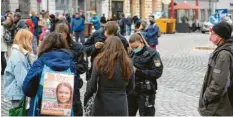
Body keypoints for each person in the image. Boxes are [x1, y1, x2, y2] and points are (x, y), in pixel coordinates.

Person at [22, 32, 81, 116]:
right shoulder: (71, 64)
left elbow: (27, 89)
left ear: (45, 44)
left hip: (41, 110)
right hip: (63, 111)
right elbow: (74, 90)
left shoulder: (40, 62)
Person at [84, 36, 135, 116]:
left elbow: (92, 85)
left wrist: (87, 98)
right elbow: (131, 86)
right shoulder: (128, 63)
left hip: (102, 101)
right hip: (121, 102)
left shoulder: (99, 61)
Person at [198, 22, 233, 116]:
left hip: (218, 106)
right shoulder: (225, 49)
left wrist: (207, 97)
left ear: (220, 36)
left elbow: (218, 83)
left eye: (213, 34)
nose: (210, 37)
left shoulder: (223, 55)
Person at [128, 33, 163, 116]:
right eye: (132, 48)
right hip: (132, 90)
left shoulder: (153, 54)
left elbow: (158, 72)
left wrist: (138, 72)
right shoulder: (132, 53)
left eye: (136, 47)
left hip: (145, 92)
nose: (134, 49)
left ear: (141, 42)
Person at [4, 29, 33, 107]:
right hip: (18, 94)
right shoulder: (19, 56)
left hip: (17, 93)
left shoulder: (18, 53)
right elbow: (22, 81)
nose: (31, 42)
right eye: (30, 40)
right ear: (25, 40)